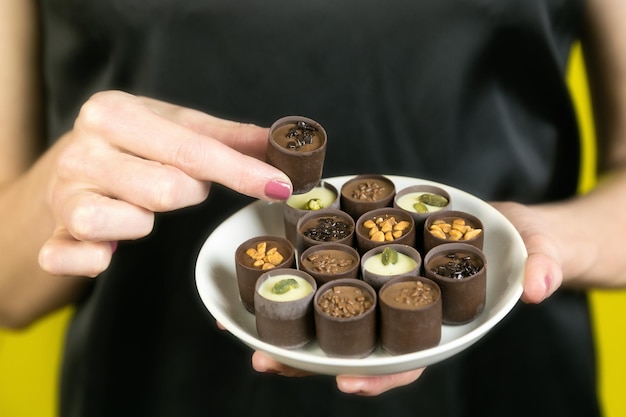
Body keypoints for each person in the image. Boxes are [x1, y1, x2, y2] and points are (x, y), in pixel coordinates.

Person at [1, 0, 625, 416]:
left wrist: (549, 239)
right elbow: (7, 289)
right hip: (151, 387)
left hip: (508, 386)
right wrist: (64, 187)